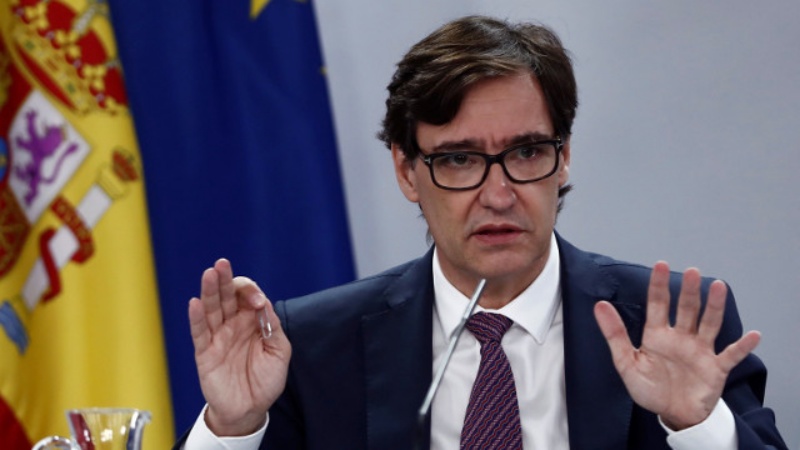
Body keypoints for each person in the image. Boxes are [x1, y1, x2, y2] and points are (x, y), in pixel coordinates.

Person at [177, 15, 786, 450]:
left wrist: (697, 428)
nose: (498, 194)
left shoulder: (666, 326)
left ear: (564, 158)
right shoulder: (313, 345)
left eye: (526, 152)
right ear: (406, 171)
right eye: (460, 159)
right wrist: (233, 430)